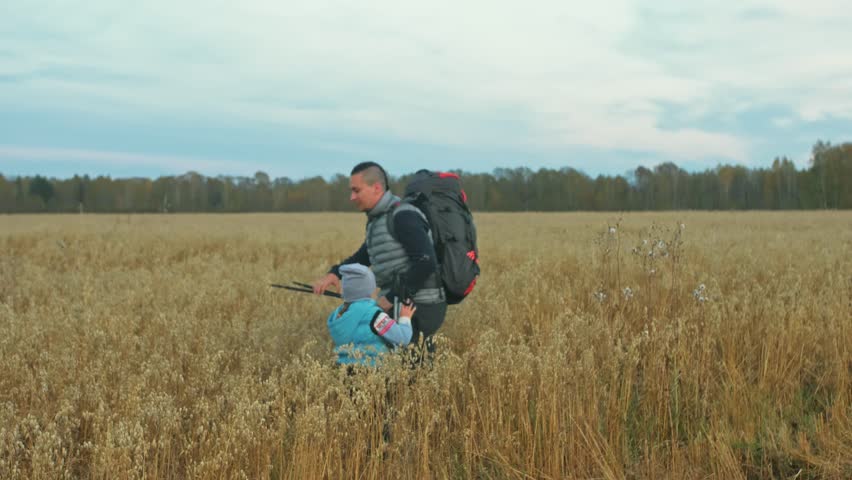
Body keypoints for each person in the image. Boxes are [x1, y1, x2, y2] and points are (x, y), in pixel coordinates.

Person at [314, 161, 447, 354]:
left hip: (420, 305)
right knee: (403, 370)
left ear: (376, 188)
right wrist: (335, 274)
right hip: (403, 302)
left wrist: (392, 297)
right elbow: (365, 255)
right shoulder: (379, 220)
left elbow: (426, 262)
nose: (352, 197)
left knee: (413, 371)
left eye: (356, 190)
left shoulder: (403, 215)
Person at [328, 263, 415, 366]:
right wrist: (405, 317)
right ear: (370, 288)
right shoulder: (375, 315)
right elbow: (403, 338)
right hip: (371, 370)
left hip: (343, 369)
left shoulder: (338, 314)